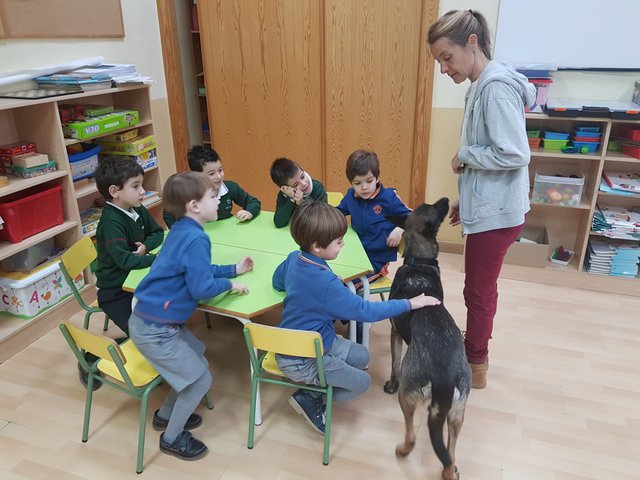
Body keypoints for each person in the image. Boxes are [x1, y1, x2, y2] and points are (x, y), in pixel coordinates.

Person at [428, 9, 536, 389]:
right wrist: (466, 198)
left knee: (478, 290)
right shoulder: (479, 85)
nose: (444, 69)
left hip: (499, 213)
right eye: (439, 61)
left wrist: (465, 155)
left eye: (447, 57)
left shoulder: (495, 88)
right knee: (477, 287)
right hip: (489, 205)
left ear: (471, 43)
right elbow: (488, 149)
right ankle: (475, 350)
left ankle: (475, 362)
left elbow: (515, 153)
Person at [272, 201, 441, 434]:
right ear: (317, 246)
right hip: (302, 359)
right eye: (338, 241)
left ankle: (317, 387)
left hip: (302, 342)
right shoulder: (326, 284)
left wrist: (313, 287)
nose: (342, 244)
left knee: (362, 356)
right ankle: (311, 397)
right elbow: (366, 311)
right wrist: (410, 303)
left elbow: (277, 282)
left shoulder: (295, 258)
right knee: (362, 383)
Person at [129, 171, 253, 460]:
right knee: (200, 380)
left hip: (151, 320)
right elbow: (201, 288)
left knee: (197, 353)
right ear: (195, 205)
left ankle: (166, 415)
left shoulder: (181, 230)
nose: (218, 200)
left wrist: (232, 269)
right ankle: (171, 438)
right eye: (213, 196)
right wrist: (229, 285)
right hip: (156, 329)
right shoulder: (196, 238)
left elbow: (196, 270)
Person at [85, 158, 165, 389]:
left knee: (163, 323)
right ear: (115, 191)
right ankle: (92, 356)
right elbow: (125, 260)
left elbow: (157, 233)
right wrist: (155, 259)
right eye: (136, 186)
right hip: (115, 292)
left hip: (136, 281)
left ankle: (149, 350)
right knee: (146, 334)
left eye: (142, 185)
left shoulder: (135, 208)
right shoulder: (111, 223)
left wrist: (145, 247)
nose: (143, 191)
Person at [336, 149, 411, 282]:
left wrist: (400, 228)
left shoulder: (388, 198)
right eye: (357, 183)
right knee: (331, 275)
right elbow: (337, 213)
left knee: (344, 283)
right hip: (356, 252)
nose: (364, 187)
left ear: (377, 178)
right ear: (351, 183)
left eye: (369, 181)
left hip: (377, 259)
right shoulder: (351, 196)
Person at [163, 145, 261, 228]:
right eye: (211, 174)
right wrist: (179, 229)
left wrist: (249, 212)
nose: (219, 177)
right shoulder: (187, 193)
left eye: (220, 170)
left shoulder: (230, 187)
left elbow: (253, 202)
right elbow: (168, 213)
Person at [269, 157, 328, 228]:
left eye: (302, 177)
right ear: (285, 188)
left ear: (302, 169)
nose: (304, 184)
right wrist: (291, 199)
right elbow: (279, 223)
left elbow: (323, 219)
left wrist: (302, 202)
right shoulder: (284, 195)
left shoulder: (317, 187)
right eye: (296, 185)